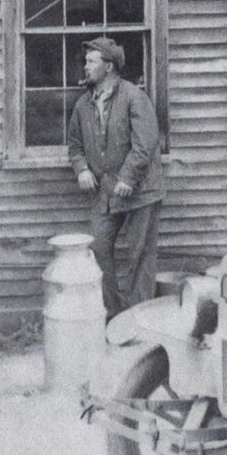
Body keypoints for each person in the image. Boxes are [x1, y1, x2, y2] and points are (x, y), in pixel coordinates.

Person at [64, 37, 166, 312]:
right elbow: (74, 146)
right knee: (97, 248)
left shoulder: (134, 97)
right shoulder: (83, 105)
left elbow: (145, 143)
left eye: (91, 62)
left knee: (140, 257)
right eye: (85, 62)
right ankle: (115, 314)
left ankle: (139, 320)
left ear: (109, 67)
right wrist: (82, 168)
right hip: (106, 192)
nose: (85, 67)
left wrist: (128, 178)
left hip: (141, 191)